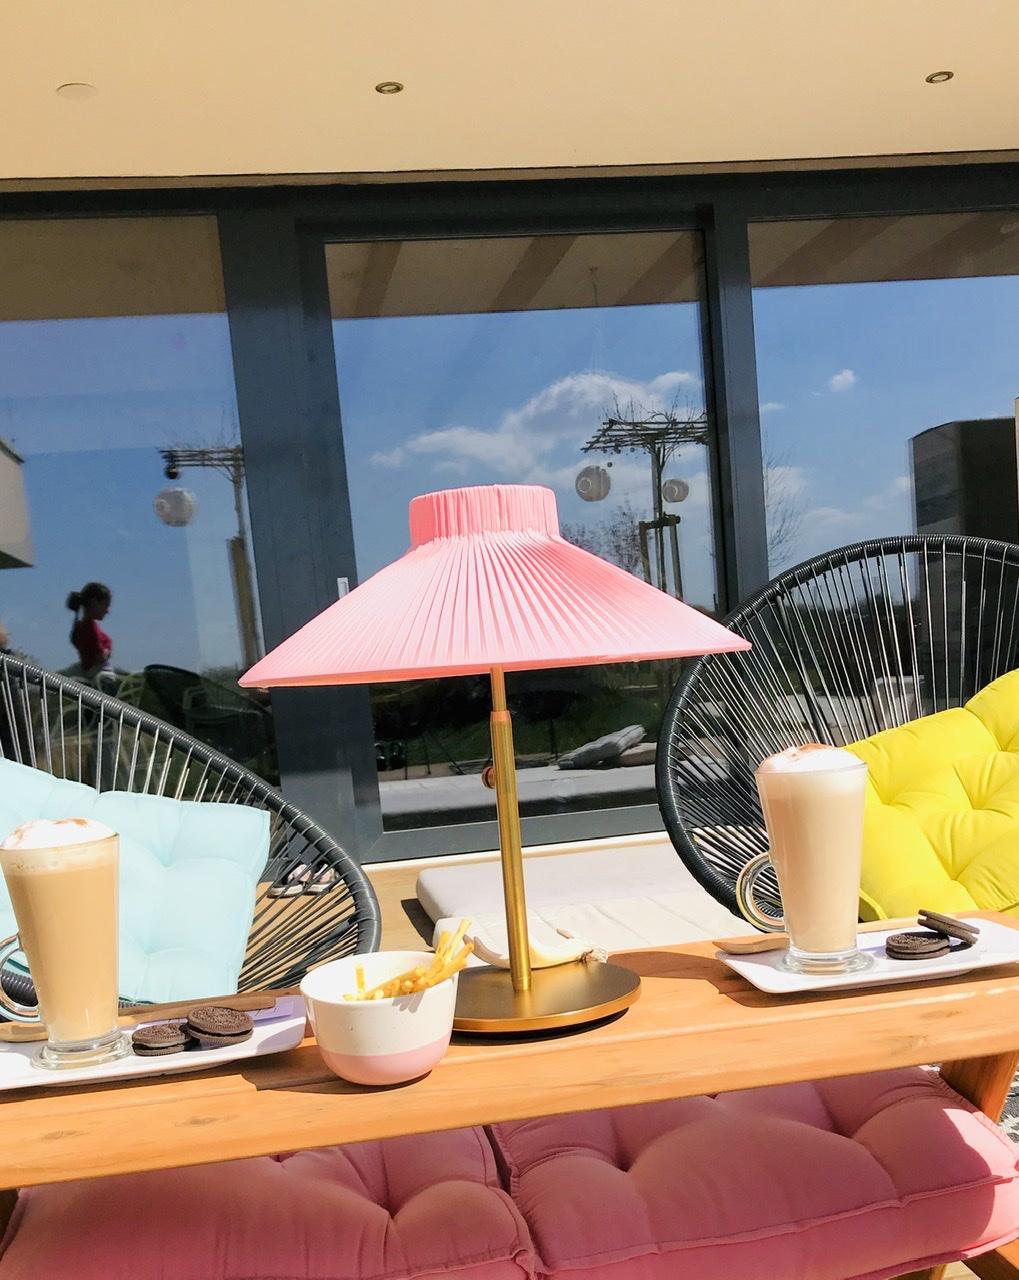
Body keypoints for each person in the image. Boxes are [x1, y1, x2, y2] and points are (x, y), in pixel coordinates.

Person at [66, 582, 113, 679]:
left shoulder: (80, 625)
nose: (107, 611)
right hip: (96, 671)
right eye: (105, 605)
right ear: (94, 602)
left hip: (87, 669)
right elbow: (100, 656)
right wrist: (106, 651)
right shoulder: (89, 628)